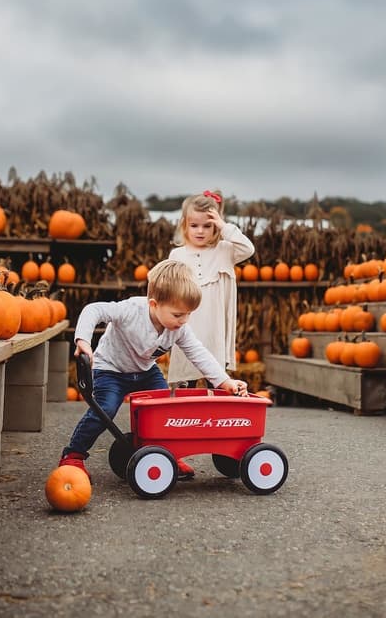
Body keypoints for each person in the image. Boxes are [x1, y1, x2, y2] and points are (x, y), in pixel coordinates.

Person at [58, 259, 249, 481]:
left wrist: (224, 382)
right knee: (106, 408)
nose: (183, 321)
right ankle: (73, 455)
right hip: (111, 370)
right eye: (178, 315)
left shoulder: (179, 329)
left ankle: (166, 454)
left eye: (188, 314)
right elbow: (94, 310)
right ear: (154, 304)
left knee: (168, 412)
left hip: (146, 371)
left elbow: (199, 353)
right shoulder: (130, 311)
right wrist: (83, 341)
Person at [166, 190, 255, 388]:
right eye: (194, 225)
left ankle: (214, 415)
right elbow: (167, 288)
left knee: (215, 378)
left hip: (214, 328)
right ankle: (186, 416)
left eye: (207, 226)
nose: (200, 231)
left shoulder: (224, 250)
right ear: (184, 226)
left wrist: (224, 226)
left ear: (216, 227)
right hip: (187, 326)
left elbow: (248, 249)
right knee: (185, 378)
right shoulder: (177, 255)